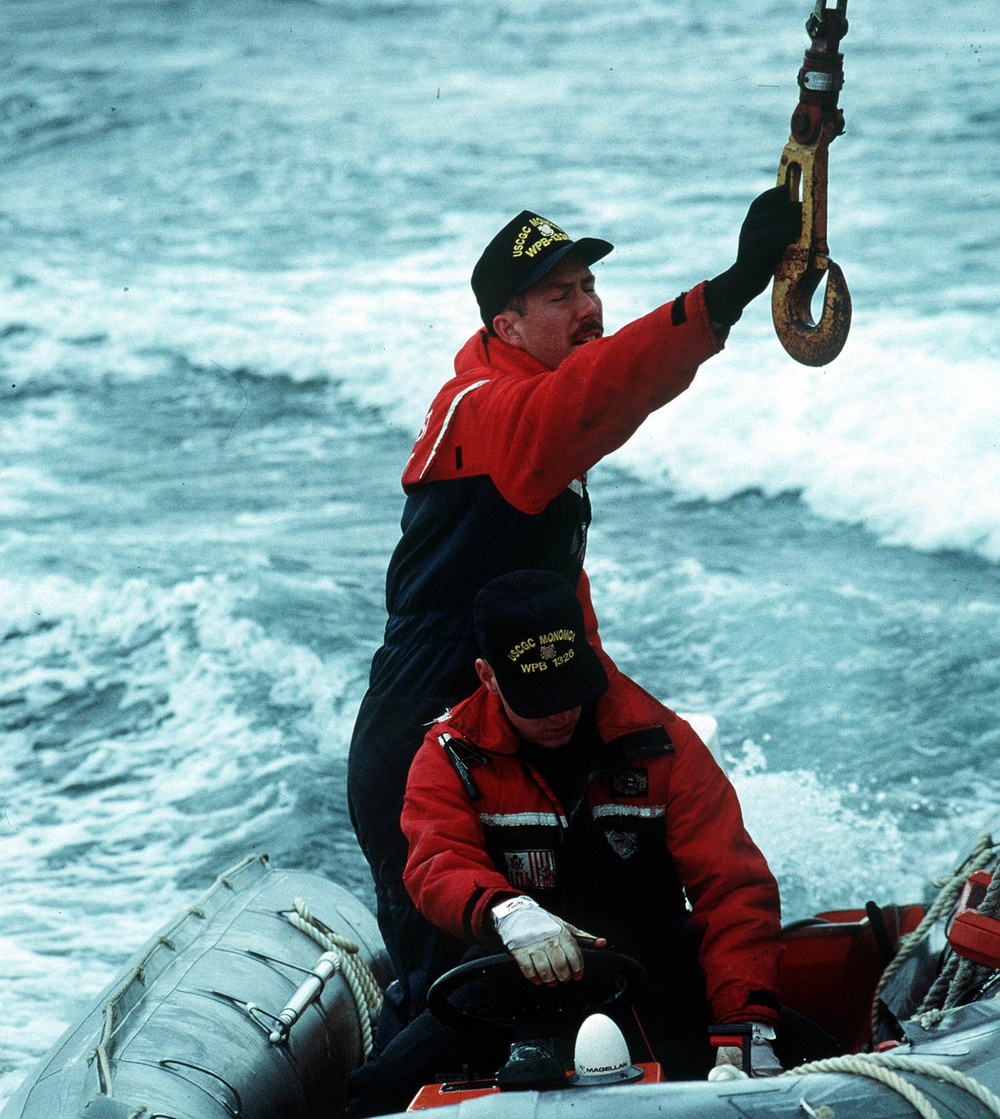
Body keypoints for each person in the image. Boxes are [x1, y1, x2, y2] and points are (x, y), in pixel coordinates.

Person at [347, 190, 801, 1045]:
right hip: (428, 725)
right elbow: (604, 390)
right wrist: (731, 288)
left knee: (605, 946)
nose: (589, 307)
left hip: (535, 694)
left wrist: (624, 711)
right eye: (561, 295)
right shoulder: (491, 413)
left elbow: (559, 602)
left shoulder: (526, 404)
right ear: (507, 322)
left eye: (590, 285)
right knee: (455, 1000)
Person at [346, 569, 785, 1116]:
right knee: (377, 1093)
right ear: (487, 676)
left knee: (814, 1071)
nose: (558, 712)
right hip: (509, 976)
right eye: (537, 698)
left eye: (568, 690)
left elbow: (734, 889)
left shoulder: (664, 744)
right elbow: (437, 860)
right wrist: (504, 910)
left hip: (655, 969)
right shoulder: (450, 754)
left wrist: (748, 1023)